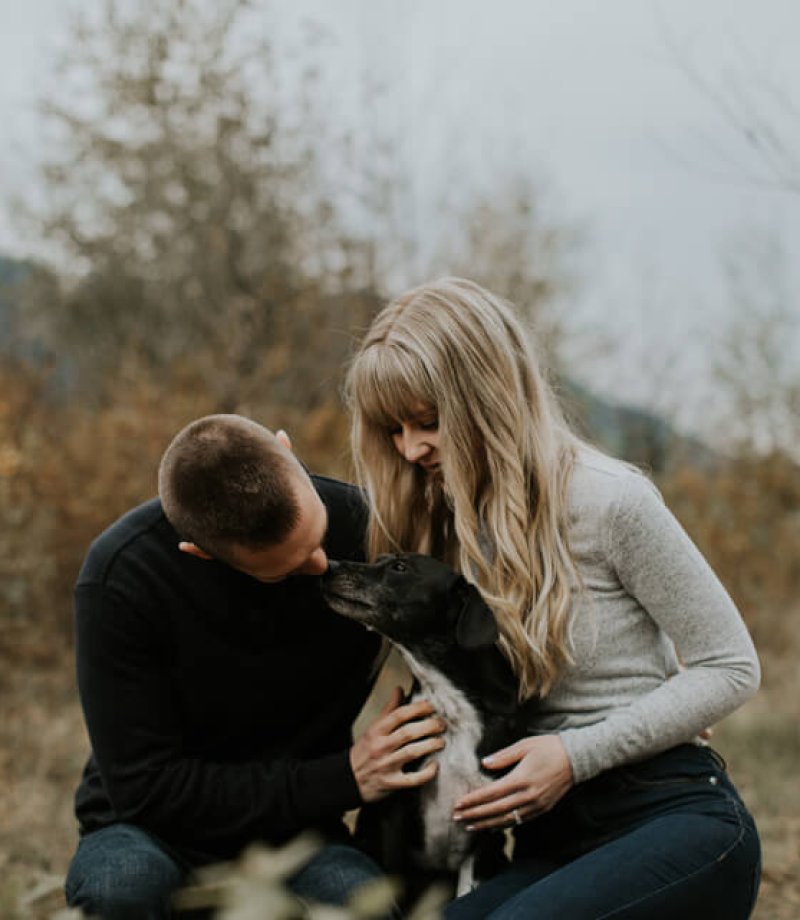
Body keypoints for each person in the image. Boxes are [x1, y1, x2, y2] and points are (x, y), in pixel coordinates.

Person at [344, 277, 762, 919]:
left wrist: (574, 754)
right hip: (550, 845)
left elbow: (730, 666)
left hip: (667, 816)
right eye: (393, 428)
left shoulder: (610, 501)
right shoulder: (439, 520)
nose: (409, 447)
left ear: (488, 398)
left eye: (428, 422)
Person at [65, 414, 446, 919]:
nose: (322, 568)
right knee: (122, 892)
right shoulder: (122, 579)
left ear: (287, 449)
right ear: (199, 553)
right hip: (145, 832)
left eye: (320, 538)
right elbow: (147, 790)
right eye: (288, 571)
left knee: (365, 909)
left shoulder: (372, 524)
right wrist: (345, 777)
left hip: (298, 836)